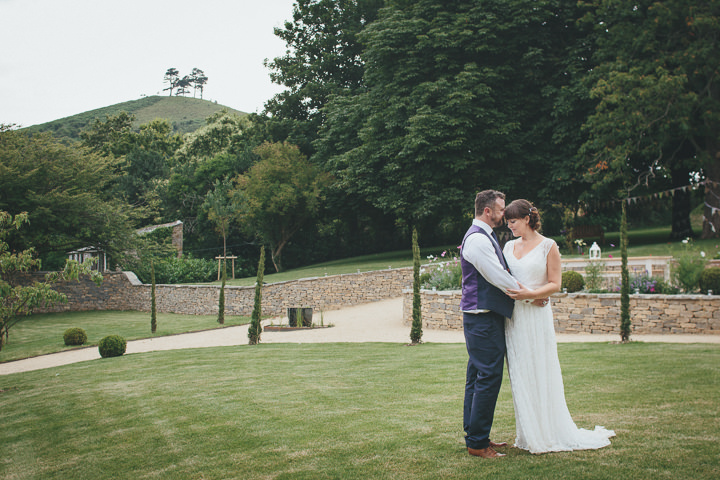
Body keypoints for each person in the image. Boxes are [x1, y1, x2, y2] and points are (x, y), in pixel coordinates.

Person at [502, 199, 615, 454]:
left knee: (541, 370)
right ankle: (528, 433)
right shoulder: (508, 246)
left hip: (536, 316)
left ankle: (549, 432)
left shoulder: (548, 246)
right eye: (508, 223)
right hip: (514, 318)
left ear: (527, 219)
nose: (510, 227)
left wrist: (531, 295)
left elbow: (555, 284)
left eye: (513, 222)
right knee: (520, 373)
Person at [459, 190, 535, 458]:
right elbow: (497, 276)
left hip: (481, 316)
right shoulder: (478, 240)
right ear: (488, 211)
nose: (505, 215)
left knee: (477, 378)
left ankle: (477, 436)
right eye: (502, 210)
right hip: (482, 318)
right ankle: (477, 443)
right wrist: (529, 295)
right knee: (488, 377)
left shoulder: (482, 236)